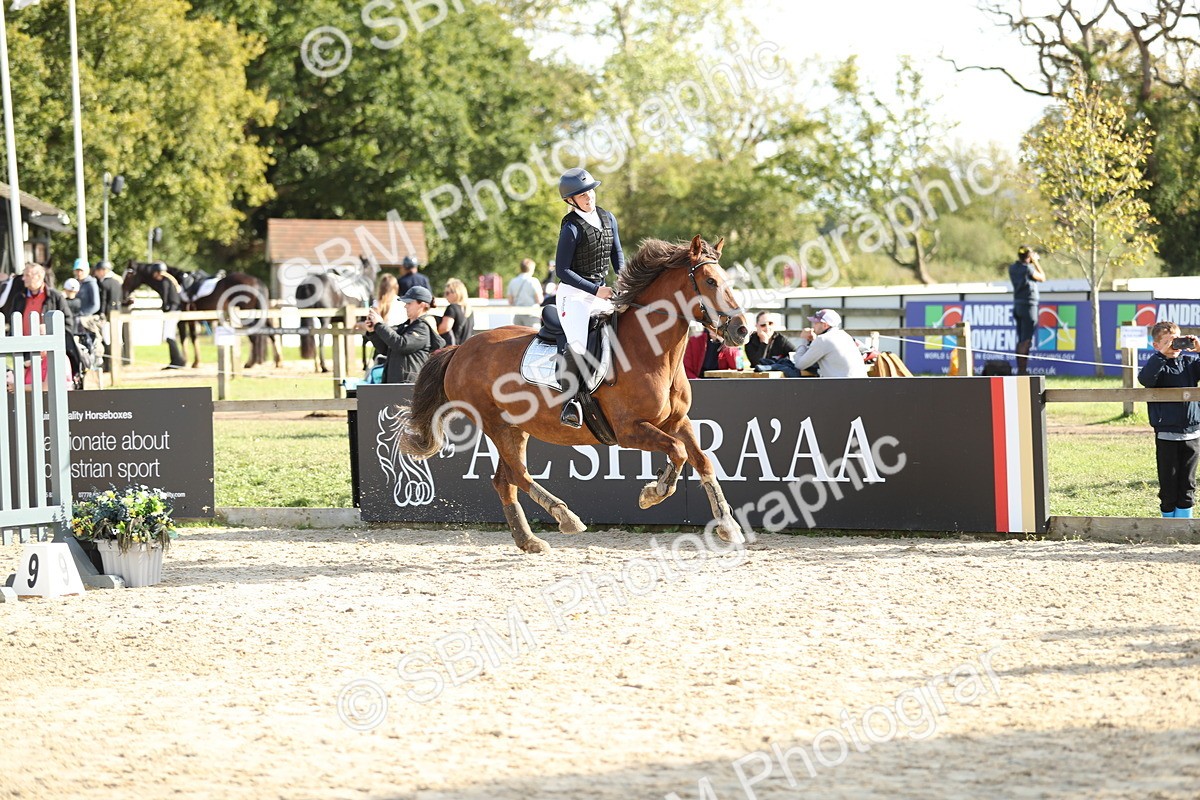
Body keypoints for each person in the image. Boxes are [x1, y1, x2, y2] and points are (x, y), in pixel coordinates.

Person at [554, 167, 624, 428]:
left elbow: (616, 253)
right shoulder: (571, 229)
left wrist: (625, 280)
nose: (589, 197)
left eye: (590, 191)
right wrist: (595, 290)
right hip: (573, 296)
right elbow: (562, 271)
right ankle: (569, 402)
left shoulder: (608, 218)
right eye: (582, 195)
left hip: (603, 291)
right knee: (579, 345)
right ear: (570, 200)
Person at [1139, 321, 1200, 518]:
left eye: (1177, 341)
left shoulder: (1190, 364)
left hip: (1192, 433)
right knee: (1168, 483)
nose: (1175, 346)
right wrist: (1161, 356)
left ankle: (1184, 525)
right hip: (1167, 434)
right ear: (1156, 345)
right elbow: (1146, 379)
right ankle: (1168, 525)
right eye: (1168, 342)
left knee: (1188, 483)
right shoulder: (1156, 364)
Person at [364, 285, 444, 383]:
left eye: (409, 303)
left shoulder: (423, 328)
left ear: (422, 305)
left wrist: (379, 325)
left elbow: (401, 345)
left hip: (409, 385)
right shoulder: (405, 327)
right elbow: (385, 349)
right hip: (396, 385)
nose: (405, 306)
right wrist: (373, 331)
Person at [791, 309, 868, 378]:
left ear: (825, 325)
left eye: (816, 323)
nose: (813, 326)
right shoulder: (844, 335)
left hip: (842, 387)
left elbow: (799, 365)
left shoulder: (823, 339)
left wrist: (804, 341)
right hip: (859, 384)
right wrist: (813, 341)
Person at [1010, 245, 1046, 375]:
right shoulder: (1028, 269)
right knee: (1026, 340)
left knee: (1020, 339)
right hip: (1029, 306)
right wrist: (1035, 261)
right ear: (1028, 256)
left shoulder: (1013, 268)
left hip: (1018, 305)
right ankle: (1022, 371)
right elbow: (1042, 277)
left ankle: (1020, 369)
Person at [148, 261, 186, 369]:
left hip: (172, 311)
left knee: (169, 335)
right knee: (170, 335)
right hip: (174, 310)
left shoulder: (164, 282)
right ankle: (176, 360)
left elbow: (165, 299)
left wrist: (164, 309)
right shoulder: (169, 280)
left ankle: (177, 361)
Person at [506, 258, 543, 327]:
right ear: (531, 269)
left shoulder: (513, 281)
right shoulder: (534, 281)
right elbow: (539, 300)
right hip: (532, 314)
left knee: (519, 336)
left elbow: (510, 301)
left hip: (518, 314)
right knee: (533, 336)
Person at [437, 277, 474, 346]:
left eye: (447, 293)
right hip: (466, 349)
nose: (445, 296)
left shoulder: (452, 308)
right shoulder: (469, 310)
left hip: (454, 351)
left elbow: (445, 328)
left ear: (456, 293)